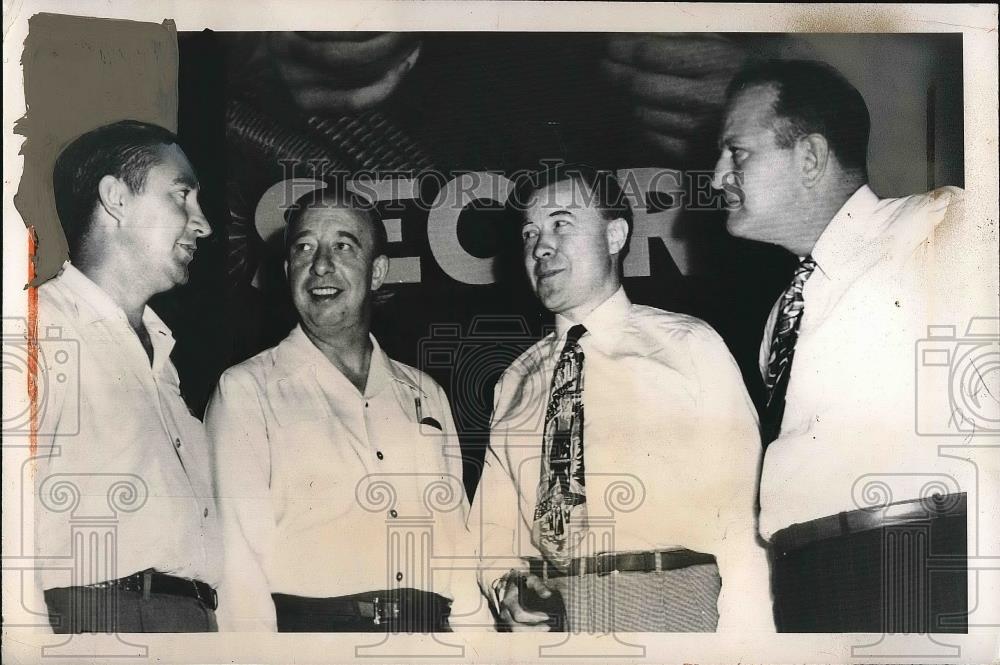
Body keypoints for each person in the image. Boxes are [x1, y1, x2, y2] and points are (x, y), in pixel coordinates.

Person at [713, 59, 992, 632]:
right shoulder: (781, 315)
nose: (716, 177)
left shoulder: (940, 225)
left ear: (810, 158)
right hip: (806, 581)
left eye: (737, 154)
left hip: (915, 568)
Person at [470, 164, 772, 632]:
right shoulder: (514, 380)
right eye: (530, 233)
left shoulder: (688, 345)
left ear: (615, 237)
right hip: (548, 621)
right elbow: (492, 524)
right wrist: (505, 584)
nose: (541, 246)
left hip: (668, 605)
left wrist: (745, 640)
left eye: (561, 225)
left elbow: (743, 511)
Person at [205, 186, 488, 631]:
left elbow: (459, 553)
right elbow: (239, 569)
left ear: (377, 273)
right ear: (286, 271)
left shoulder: (426, 393)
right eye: (303, 248)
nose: (320, 265)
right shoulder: (246, 390)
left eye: (343, 246)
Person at [34, 120, 219, 632]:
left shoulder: (162, 354)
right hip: (100, 620)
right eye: (182, 195)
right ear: (116, 197)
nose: (202, 224)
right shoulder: (40, 329)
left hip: (188, 619)